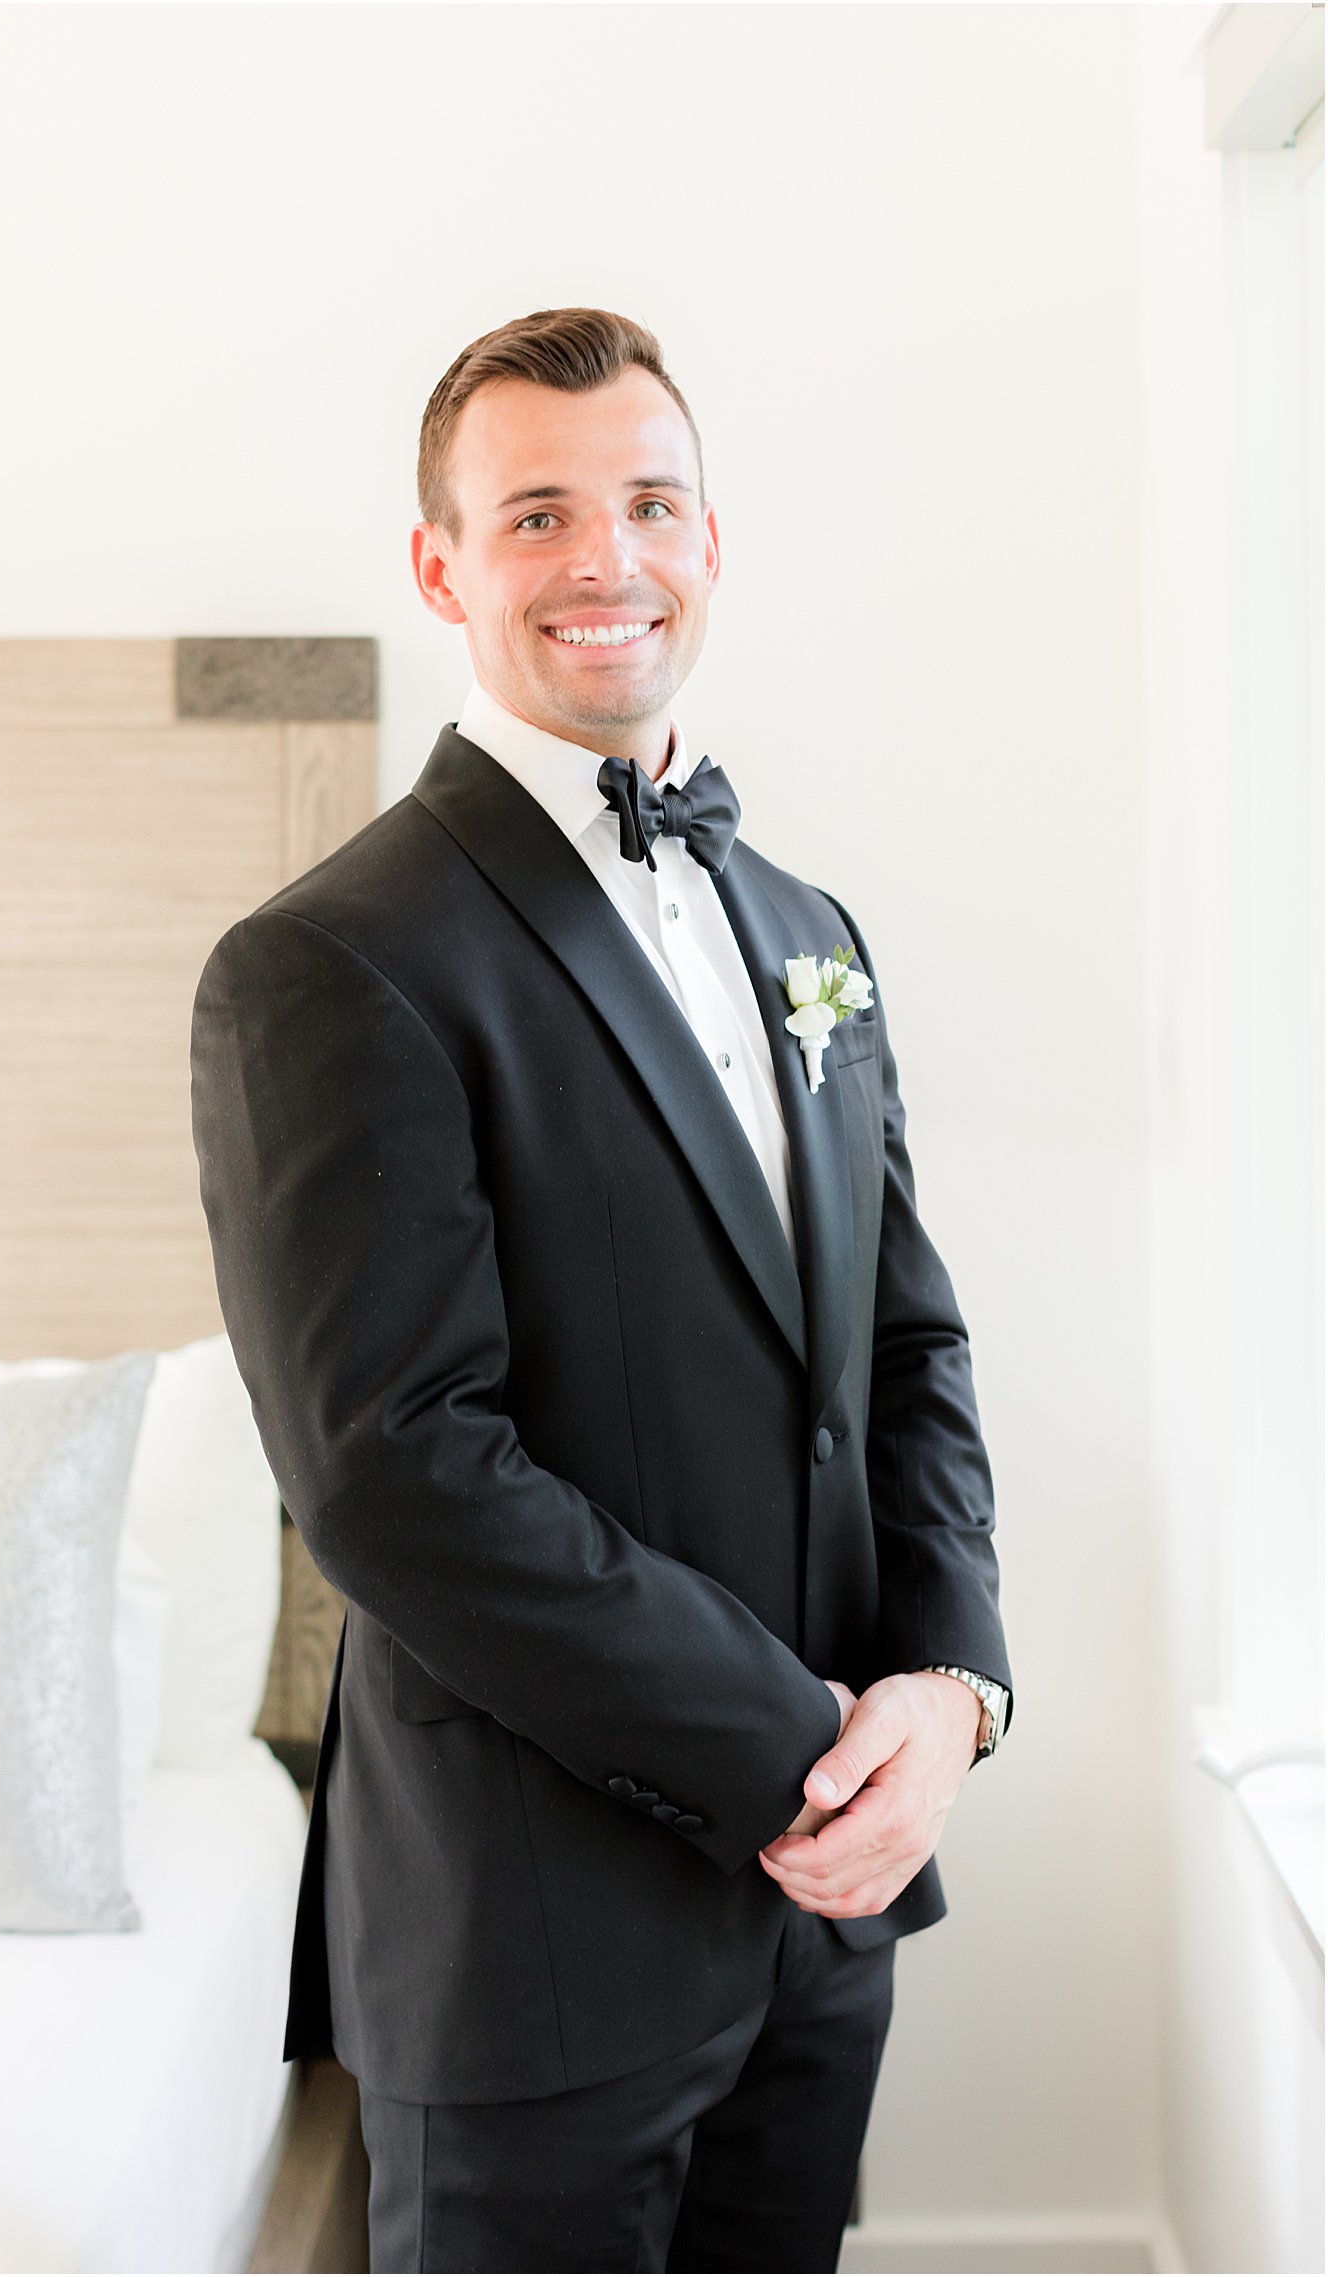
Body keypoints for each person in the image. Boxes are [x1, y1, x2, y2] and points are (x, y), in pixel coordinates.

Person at [190, 306, 1013, 2275]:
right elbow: (397, 1471)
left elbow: (902, 1348)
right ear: (441, 565)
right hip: (529, 1947)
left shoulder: (808, 930)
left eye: (648, 502)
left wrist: (952, 1689)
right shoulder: (328, 962)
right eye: (537, 511)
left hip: (825, 1914)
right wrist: (798, 1744)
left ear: (709, 540)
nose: (604, 558)